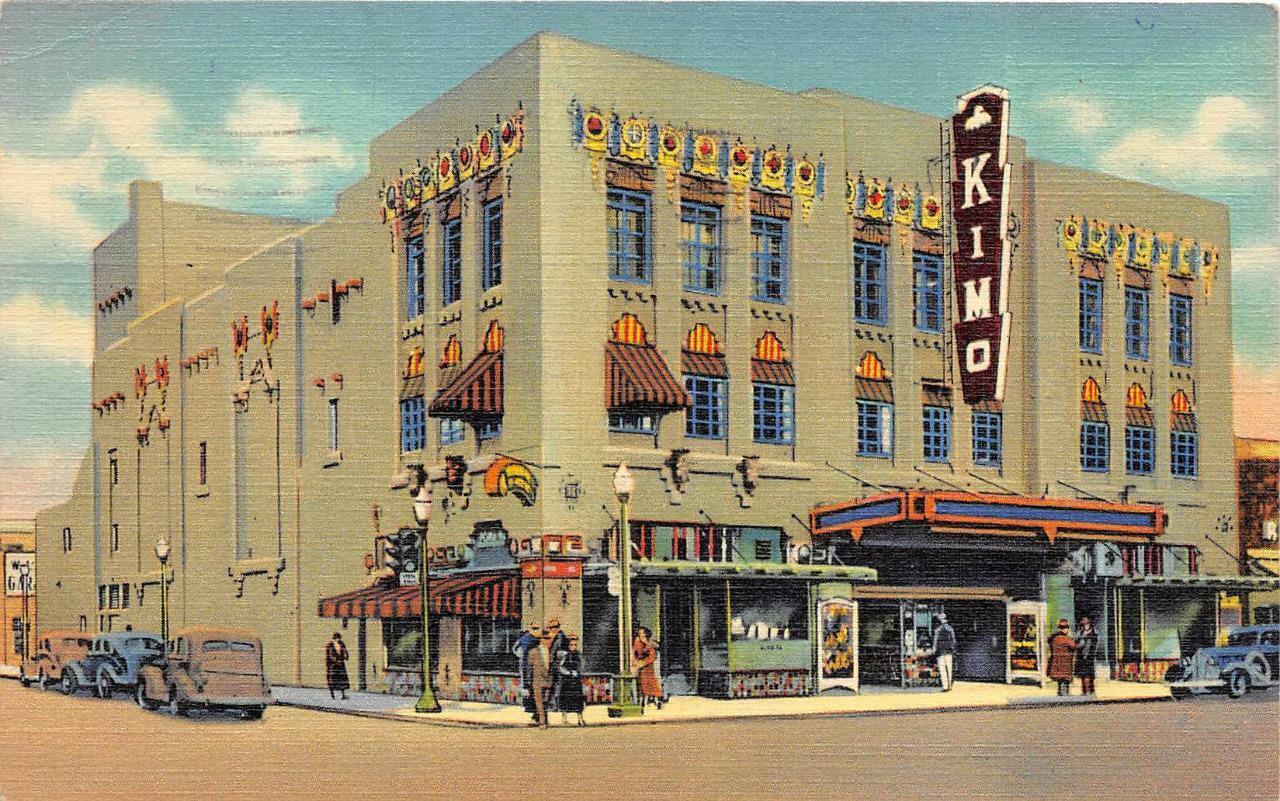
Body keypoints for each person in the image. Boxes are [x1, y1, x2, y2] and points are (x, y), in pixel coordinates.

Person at [555, 635, 586, 726]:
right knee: (566, 699)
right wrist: (569, 672)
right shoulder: (565, 655)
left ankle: (580, 719)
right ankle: (564, 719)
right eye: (571, 645)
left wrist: (579, 672)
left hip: (576, 681)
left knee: (578, 700)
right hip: (567, 681)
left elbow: (582, 665)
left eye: (575, 645)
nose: (573, 647)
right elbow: (560, 667)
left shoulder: (579, 654)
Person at [512, 625, 541, 721]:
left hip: (529, 671)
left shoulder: (524, 641)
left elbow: (515, 649)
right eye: (535, 628)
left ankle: (535, 712)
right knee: (533, 692)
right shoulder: (530, 641)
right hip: (531, 672)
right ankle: (536, 713)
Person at [527, 628, 554, 728]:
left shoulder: (551, 652)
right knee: (539, 702)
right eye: (546, 638)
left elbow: (553, 667)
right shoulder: (533, 652)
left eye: (550, 638)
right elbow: (529, 668)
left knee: (546, 701)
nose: (549, 641)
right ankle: (543, 722)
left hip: (548, 681)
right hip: (537, 681)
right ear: (541, 639)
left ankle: (544, 720)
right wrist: (528, 682)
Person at [633, 627, 663, 711]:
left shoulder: (649, 643)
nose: (641, 635)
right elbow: (635, 652)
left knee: (652, 685)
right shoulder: (638, 642)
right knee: (642, 685)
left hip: (649, 667)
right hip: (641, 667)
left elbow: (652, 655)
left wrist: (644, 662)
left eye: (643, 633)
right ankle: (642, 702)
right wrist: (637, 662)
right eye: (640, 633)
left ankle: (656, 701)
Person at [1047, 618, 1078, 696]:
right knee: (1065, 680)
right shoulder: (1067, 639)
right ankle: (1064, 695)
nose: (1067, 630)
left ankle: (1061, 694)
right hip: (1065, 663)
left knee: (1060, 681)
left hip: (1056, 662)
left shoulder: (1054, 638)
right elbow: (1074, 646)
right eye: (1066, 628)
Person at [546, 619, 568, 712]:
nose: (552, 629)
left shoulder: (560, 638)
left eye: (554, 627)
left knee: (557, 685)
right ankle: (555, 705)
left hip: (557, 666)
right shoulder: (555, 637)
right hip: (554, 665)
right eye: (551, 628)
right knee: (554, 685)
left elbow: (563, 653)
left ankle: (556, 705)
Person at [932, 613, 958, 692]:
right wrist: (954, 650)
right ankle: (950, 686)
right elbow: (954, 640)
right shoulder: (950, 628)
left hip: (940, 652)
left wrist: (934, 650)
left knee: (942, 670)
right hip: (949, 651)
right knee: (949, 669)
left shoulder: (938, 629)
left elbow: (935, 642)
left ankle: (945, 687)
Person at [1075, 616, 1099, 696]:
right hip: (1081, 656)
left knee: (1090, 674)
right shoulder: (1080, 631)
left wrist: (1093, 653)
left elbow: (1096, 644)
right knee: (1083, 674)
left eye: (1084, 619)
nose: (1083, 621)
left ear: (1088, 620)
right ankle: (1084, 691)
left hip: (1090, 657)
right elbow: (1076, 642)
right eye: (1082, 619)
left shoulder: (1094, 631)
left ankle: (1092, 690)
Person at [324, 632, 350, 700]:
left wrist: (345, 656)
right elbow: (330, 655)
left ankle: (343, 695)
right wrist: (336, 661)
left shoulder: (341, 644)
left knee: (342, 680)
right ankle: (332, 695)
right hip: (332, 665)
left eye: (339, 638)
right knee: (332, 680)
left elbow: (345, 652)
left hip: (341, 664)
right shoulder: (330, 645)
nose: (338, 640)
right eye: (336, 638)